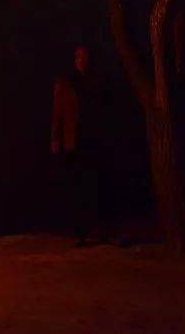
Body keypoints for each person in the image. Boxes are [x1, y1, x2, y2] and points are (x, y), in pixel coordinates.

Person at [52, 44, 104, 245]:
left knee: (92, 184)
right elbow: (57, 113)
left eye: (85, 56)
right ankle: (79, 232)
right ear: (75, 60)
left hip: (91, 140)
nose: (82, 60)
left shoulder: (95, 81)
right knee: (76, 185)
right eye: (79, 57)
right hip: (73, 141)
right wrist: (55, 137)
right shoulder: (65, 83)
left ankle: (93, 228)